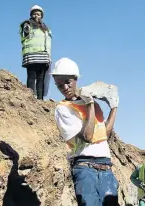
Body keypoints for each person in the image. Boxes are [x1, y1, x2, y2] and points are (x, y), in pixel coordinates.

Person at [50, 57, 120, 206]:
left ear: (76, 78)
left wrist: (114, 107)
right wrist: (89, 104)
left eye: (67, 82)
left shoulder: (93, 105)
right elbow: (87, 136)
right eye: (59, 85)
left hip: (106, 166)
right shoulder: (63, 109)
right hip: (85, 168)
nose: (64, 88)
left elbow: (104, 135)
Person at [19, 5, 52, 100]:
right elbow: (25, 32)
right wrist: (27, 25)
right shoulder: (27, 24)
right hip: (31, 56)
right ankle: (30, 99)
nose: (36, 16)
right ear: (31, 15)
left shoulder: (46, 29)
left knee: (41, 79)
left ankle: (40, 100)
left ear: (41, 16)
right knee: (32, 77)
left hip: (43, 57)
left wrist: (49, 57)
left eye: (38, 14)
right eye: (34, 14)